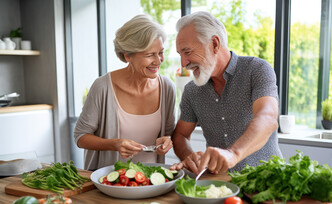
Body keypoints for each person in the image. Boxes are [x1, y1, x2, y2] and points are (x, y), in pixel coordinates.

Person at [170, 11, 282, 175]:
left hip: (267, 180)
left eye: (187, 52)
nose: (184, 63)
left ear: (215, 44)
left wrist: (233, 154)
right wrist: (189, 157)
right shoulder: (191, 91)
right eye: (180, 55)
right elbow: (180, 135)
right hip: (219, 185)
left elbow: (268, 117)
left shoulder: (256, 70)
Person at [74, 14, 176, 170]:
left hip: (151, 181)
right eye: (149, 55)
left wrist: (167, 140)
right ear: (128, 55)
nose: (158, 61)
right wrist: (114, 144)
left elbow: (168, 134)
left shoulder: (167, 88)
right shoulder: (103, 87)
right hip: (108, 181)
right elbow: (80, 137)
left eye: (160, 52)